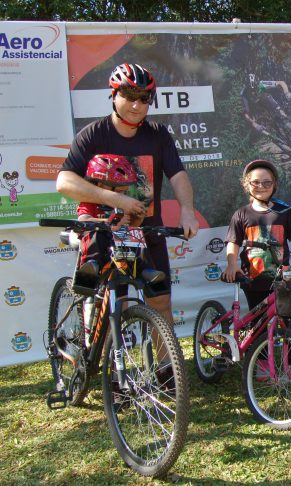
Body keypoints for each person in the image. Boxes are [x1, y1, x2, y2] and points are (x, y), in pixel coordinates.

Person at [57, 63, 200, 331]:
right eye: (129, 96)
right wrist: (117, 200)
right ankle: (100, 352)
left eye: (144, 98)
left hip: (147, 232)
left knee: (161, 302)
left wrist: (187, 210)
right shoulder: (93, 134)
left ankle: (167, 359)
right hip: (104, 231)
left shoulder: (157, 134)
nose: (136, 105)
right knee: (113, 305)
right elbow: (64, 182)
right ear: (114, 95)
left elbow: (178, 174)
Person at [224, 159, 291, 309]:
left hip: (283, 280)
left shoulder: (283, 211)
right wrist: (231, 264)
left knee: (287, 319)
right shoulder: (241, 214)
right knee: (259, 321)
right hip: (253, 282)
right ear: (246, 185)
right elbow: (233, 242)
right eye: (255, 182)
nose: (261, 187)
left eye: (267, 183)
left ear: (274, 185)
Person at [73, 154, 147, 293]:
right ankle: (90, 269)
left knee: (133, 234)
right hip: (96, 245)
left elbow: (132, 226)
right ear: (100, 184)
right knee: (97, 234)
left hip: (117, 247)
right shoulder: (90, 201)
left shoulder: (122, 203)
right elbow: (83, 219)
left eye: (123, 191)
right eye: (117, 190)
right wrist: (108, 221)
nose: (122, 194)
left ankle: (144, 270)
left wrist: (138, 218)